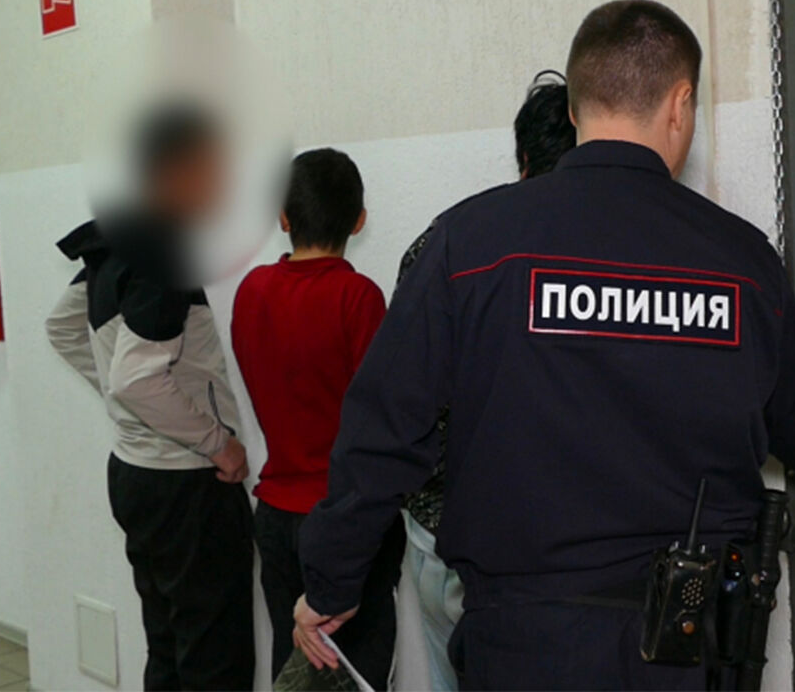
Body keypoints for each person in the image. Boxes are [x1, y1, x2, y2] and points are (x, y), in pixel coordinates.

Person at [293, 0, 795, 690]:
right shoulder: (741, 262)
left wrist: (331, 583)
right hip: (684, 648)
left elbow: (382, 433)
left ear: (578, 108)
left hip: (522, 645)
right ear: (681, 105)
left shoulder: (470, 246)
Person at [46, 104, 254, 691]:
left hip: (135, 475)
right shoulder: (164, 252)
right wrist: (219, 444)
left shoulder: (117, 238)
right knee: (214, 662)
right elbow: (136, 380)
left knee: (167, 649)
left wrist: (129, 409)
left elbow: (63, 329)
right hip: (187, 485)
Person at [395, 70, 577, 691]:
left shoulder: (447, 242)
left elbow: (404, 402)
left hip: (446, 530)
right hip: (567, 549)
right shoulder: (615, 251)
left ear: (522, 159)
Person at [230, 148, 403, 689]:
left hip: (276, 517)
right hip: (346, 523)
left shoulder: (252, 291)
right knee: (357, 677)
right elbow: (381, 421)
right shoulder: (358, 298)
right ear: (359, 219)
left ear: (284, 218)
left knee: (295, 674)